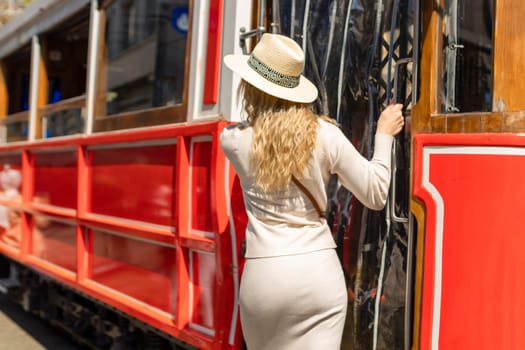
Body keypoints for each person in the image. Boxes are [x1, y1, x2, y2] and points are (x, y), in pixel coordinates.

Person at [220, 33, 404, 350]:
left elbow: (258, 129)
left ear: (250, 86)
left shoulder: (232, 140)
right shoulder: (325, 135)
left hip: (265, 278)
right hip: (318, 276)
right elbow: (375, 193)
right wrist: (384, 134)